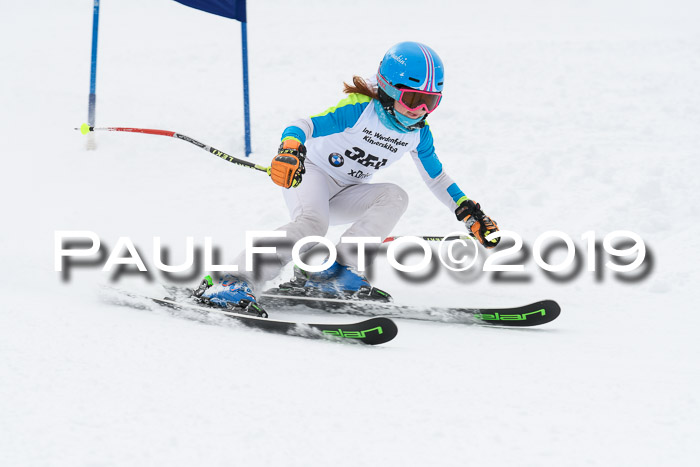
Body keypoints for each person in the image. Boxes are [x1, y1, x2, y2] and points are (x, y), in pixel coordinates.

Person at [194, 41, 500, 311]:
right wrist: (290, 150)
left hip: (348, 189)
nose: (419, 110)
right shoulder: (360, 110)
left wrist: (468, 212)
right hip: (311, 175)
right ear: (390, 89)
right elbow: (303, 125)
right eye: (412, 99)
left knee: (394, 196)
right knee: (312, 225)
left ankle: (334, 272)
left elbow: (436, 178)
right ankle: (229, 280)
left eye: (430, 102)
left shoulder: (419, 134)